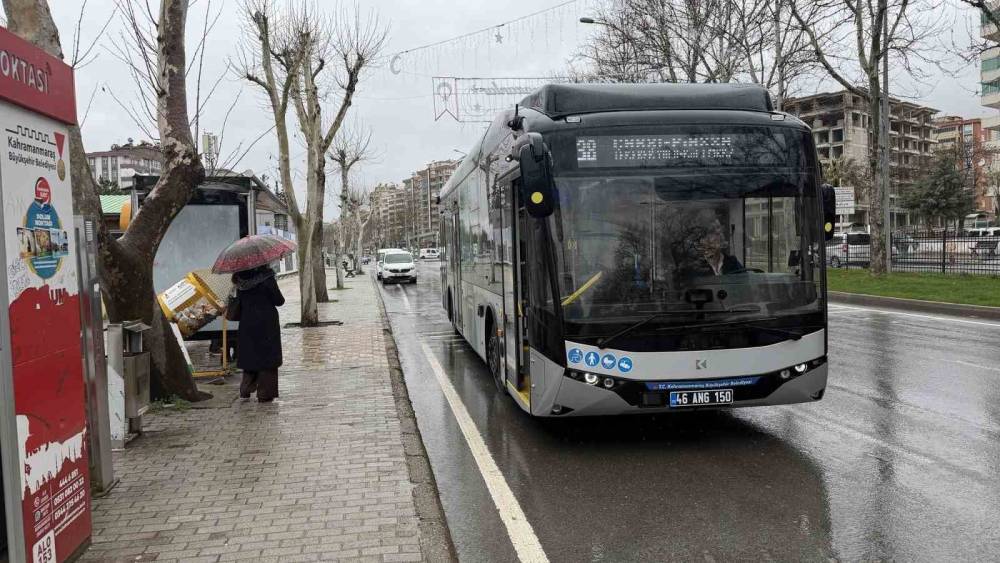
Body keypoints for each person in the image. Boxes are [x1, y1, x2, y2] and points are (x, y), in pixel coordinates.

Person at [232, 265, 285, 402]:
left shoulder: (240, 279)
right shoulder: (267, 278)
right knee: (267, 357)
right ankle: (264, 393)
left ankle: (246, 388)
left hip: (247, 322)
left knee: (250, 354)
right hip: (267, 323)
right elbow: (279, 301)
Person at [675, 209, 744, 280]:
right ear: (700, 239)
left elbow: (746, 284)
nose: (715, 237)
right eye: (711, 233)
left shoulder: (733, 263)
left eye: (719, 232)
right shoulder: (694, 267)